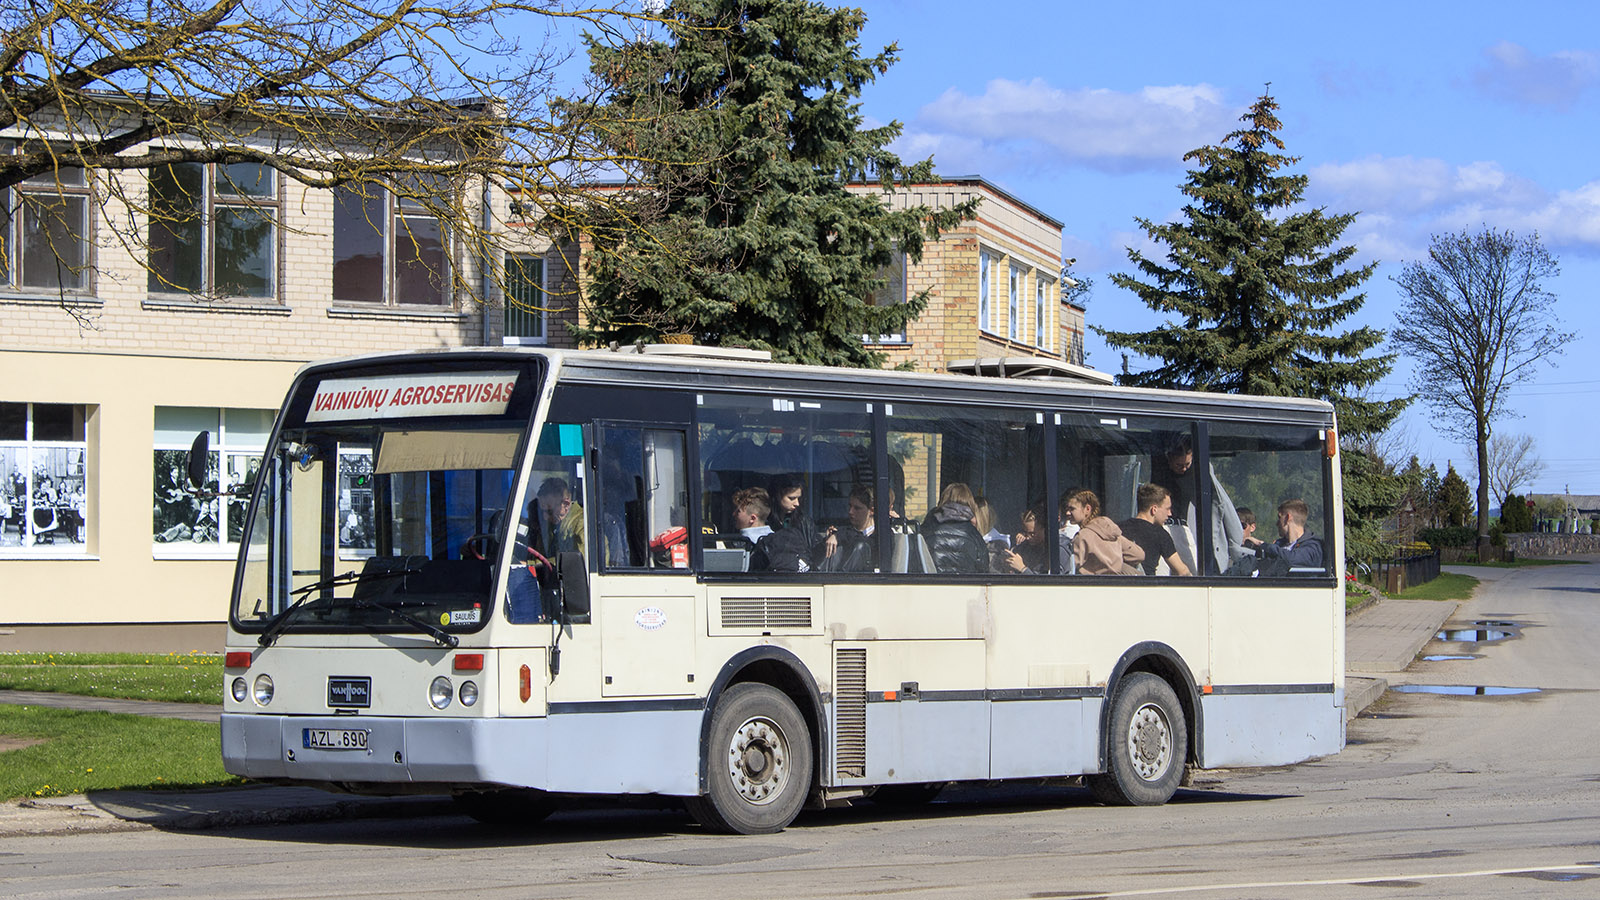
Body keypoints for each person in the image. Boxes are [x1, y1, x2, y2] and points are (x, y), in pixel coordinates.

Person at [1119, 483, 1192, 576]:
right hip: (1147, 586)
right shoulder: (1160, 534)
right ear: (1154, 509)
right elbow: (1182, 571)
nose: (1170, 514)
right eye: (1167, 509)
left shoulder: (1118, 529)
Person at [1065, 489, 1143, 575]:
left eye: (1072, 509)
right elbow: (1138, 555)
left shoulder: (1082, 536)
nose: (1067, 513)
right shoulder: (1113, 534)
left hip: (1092, 585)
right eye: (1067, 509)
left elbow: (1070, 567)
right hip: (1117, 584)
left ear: (1087, 509)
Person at [920, 482, 989, 574]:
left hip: (931, 585)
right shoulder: (974, 534)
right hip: (965, 586)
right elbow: (983, 571)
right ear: (970, 503)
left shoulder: (927, 529)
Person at [1244, 498, 1324, 572]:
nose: (1277, 523)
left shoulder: (1313, 547)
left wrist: (1262, 544)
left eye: (1279, 517)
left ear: (1287, 518)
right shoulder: (1280, 545)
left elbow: (1291, 559)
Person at [1153, 434, 1196, 524]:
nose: (1184, 469)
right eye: (1179, 465)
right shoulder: (1161, 475)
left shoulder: (1195, 476)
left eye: (1187, 464)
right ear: (1169, 459)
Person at [999, 504, 1049, 574]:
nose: (1028, 537)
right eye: (1025, 533)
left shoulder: (1051, 552)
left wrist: (1022, 568)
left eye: (1032, 534)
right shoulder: (1023, 549)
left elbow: (1041, 583)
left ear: (1045, 530)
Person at [1056, 489, 1082, 574]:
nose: (1067, 513)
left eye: (1072, 509)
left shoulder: (1077, 531)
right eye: (1065, 509)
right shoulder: (1061, 526)